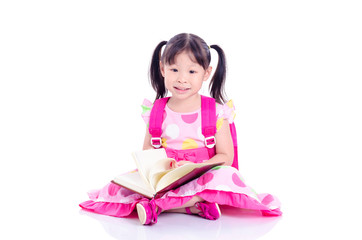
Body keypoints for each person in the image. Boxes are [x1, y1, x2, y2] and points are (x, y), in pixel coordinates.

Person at [79, 33, 282, 225]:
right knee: (122, 185)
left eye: (192, 71)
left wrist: (194, 167)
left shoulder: (216, 112)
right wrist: (163, 168)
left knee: (225, 177)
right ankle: (192, 207)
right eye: (174, 70)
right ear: (162, 69)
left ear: (206, 73)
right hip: (166, 178)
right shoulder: (156, 111)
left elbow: (225, 157)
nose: (182, 79)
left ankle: (156, 207)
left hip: (202, 177)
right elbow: (147, 152)